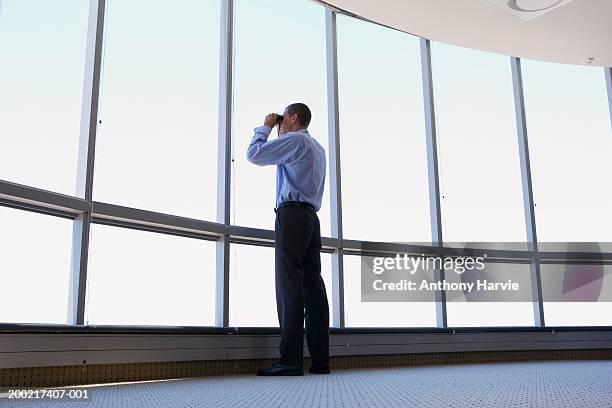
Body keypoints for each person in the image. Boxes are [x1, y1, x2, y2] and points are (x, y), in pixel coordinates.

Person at [246, 102, 330, 376]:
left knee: (289, 288)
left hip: (291, 217)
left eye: (284, 118)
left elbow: (254, 155)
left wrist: (266, 127)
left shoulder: (295, 141)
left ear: (293, 118)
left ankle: (290, 361)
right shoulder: (318, 148)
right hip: (311, 219)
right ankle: (321, 361)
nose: (281, 123)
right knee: (313, 289)